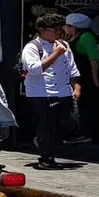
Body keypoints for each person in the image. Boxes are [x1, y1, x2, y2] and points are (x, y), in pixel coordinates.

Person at [22, 13, 81, 170]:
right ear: (41, 30)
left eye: (59, 29)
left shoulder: (64, 45)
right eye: (53, 30)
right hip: (40, 93)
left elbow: (71, 68)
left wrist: (76, 86)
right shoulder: (33, 47)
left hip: (64, 91)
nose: (58, 32)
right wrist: (55, 54)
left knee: (71, 123)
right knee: (45, 126)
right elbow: (34, 69)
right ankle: (46, 158)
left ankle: (42, 141)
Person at [64, 13, 99, 143]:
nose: (65, 28)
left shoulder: (86, 37)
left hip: (86, 77)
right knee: (81, 105)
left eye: (67, 25)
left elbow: (94, 59)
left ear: (73, 27)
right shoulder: (72, 38)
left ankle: (90, 134)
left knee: (88, 105)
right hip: (77, 77)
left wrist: (95, 78)